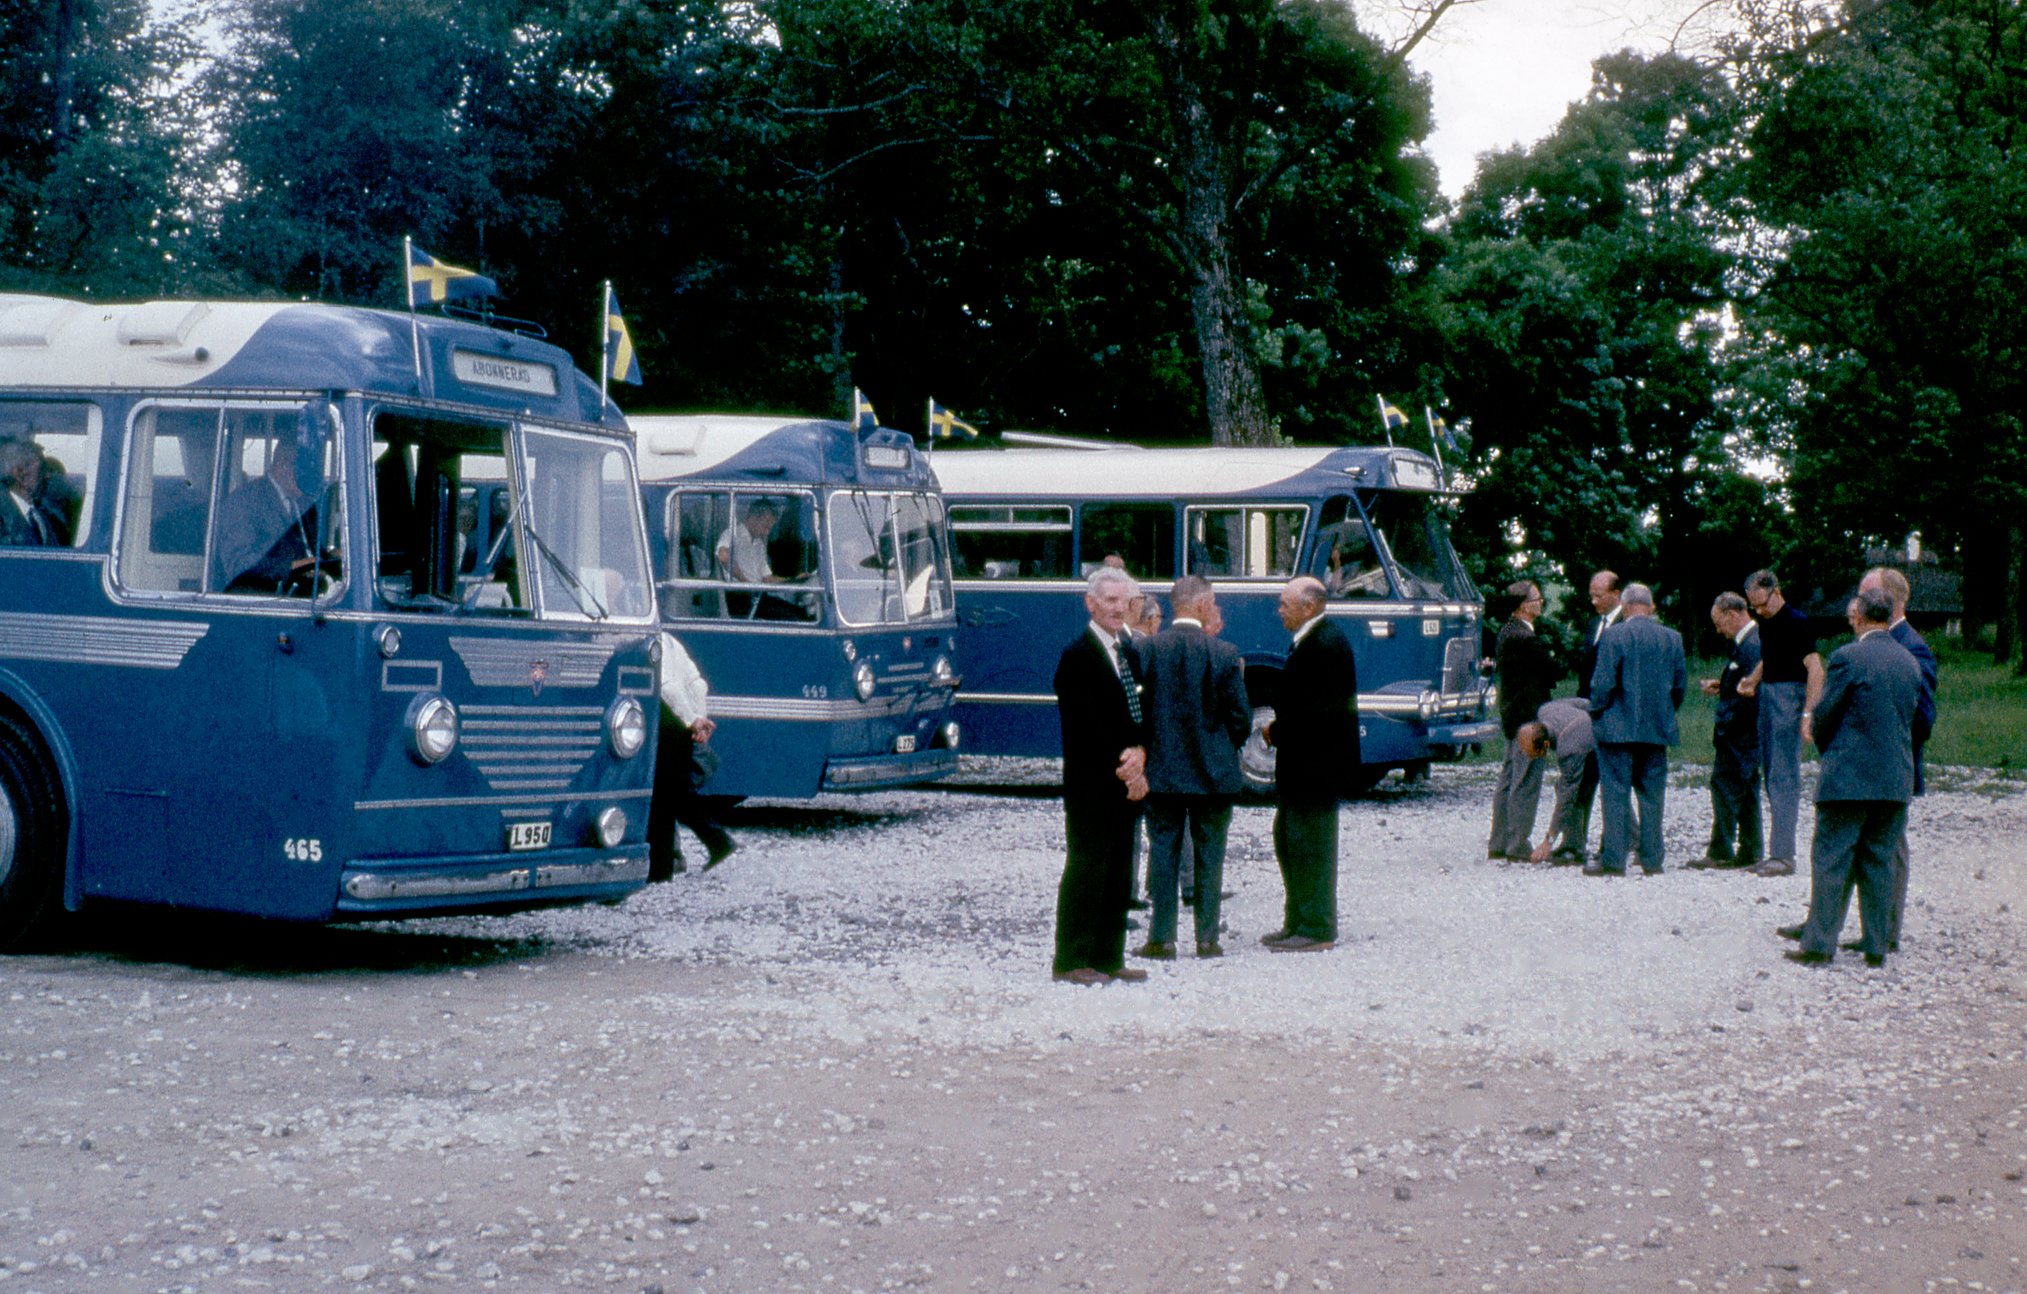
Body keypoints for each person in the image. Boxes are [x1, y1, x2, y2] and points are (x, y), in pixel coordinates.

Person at [1780, 589, 1920, 968]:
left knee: (1831, 858)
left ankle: (1819, 943)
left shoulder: (1847, 657)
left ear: (1858, 617)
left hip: (1848, 777)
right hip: (1895, 779)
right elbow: (1915, 718)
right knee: (1879, 860)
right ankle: (1876, 944)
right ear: (1890, 616)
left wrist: (1830, 751)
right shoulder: (1910, 662)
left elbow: (1826, 713)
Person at [1134, 576, 1250, 961]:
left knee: (1163, 853)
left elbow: (1138, 712)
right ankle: (1207, 939)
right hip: (1214, 774)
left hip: (1162, 772)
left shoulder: (1148, 650)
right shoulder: (1224, 653)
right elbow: (1241, 720)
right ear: (1202, 605)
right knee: (1210, 855)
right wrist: (1221, 747)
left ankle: (1162, 938)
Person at [1050, 567, 1152, 986]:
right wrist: (1126, 764)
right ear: (1090, 604)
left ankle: (1110, 956)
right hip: (1093, 783)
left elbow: (1141, 715)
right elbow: (1084, 725)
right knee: (1088, 867)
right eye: (1109, 600)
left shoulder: (1129, 653)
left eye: (1124, 600)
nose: (1118, 607)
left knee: (1118, 872)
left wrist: (1143, 754)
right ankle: (1071, 959)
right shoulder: (1076, 656)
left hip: (1129, 783)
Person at [1261, 576, 1358, 952]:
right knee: (1290, 840)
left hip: (1315, 769)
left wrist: (1279, 731)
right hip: (1302, 766)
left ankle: (1316, 927)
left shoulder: (1325, 644)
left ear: (1309, 606)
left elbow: (1317, 713)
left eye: (1285, 604)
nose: (1279, 610)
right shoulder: (1312, 640)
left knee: (1311, 845)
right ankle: (1297, 919)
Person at [1859, 565, 1938, 952]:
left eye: (1868, 595)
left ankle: (1886, 933)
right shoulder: (1870, 641)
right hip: (1867, 766)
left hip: (1893, 765)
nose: (1859, 604)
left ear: (1894, 601)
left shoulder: (1913, 647)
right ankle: (1872, 930)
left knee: (1891, 848)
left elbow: (1922, 717)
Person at [1585, 582, 1687, 876]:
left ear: (1626, 606)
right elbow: (1679, 686)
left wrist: (1597, 710)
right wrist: (1665, 712)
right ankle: (1652, 860)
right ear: (1651, 606)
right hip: (1656, 728)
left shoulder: (1614, 635)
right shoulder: (1673, 638)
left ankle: (1614, 860)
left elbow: (1602, 682)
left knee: (1615, 795)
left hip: (1617, 728)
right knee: (1653, 796)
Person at [1740, 569, 1824, 877]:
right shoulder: (1768, 624)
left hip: (1789, 699)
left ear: (1777, 591)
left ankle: (1784, 855)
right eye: (1754, 607)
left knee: (1784, 777)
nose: (1759, 611)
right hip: (1767, 697)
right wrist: (1753, 679)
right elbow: (1770, 656)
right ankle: (1774, 851)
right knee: (1771, 774)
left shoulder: (1798, 622)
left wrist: (1808, 713)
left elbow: (1815, 668)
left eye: (1762, 604)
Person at [648, 629, 736, 881]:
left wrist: (692, 720)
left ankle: (662, 868)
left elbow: (666, 689)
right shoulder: (671, 642)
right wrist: (699, 716)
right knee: (676, 795)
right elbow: (697, 683)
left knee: (662, 799)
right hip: (684, 727)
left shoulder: (648, 643)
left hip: (667, 725)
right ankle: (714, 843)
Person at [1688, 592, 1763, 870]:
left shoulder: (1752, 644)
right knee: (1747, 787)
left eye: (1720, 623)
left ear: (1732, 614)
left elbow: (1754, 690)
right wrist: (1723, 686)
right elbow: (1744, 682)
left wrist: (1728, 721)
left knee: (1725, 786)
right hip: (1744, 731)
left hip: (1739, 732)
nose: (1718, 630)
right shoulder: (1747, 642)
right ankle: (1752, 848)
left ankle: (1721, 850)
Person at [1488, 580, 1562, 861]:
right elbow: (1553, 669)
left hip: (1512, 717)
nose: (1541, 602)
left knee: (1508, 779)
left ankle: (1499, 841)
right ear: (1522, 605)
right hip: (1530, 720)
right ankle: (1518, 844)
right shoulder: (1525, 638)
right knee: (1526, 781)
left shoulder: (1507, 633)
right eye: (1537, 599)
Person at [1562, 570, 1623, 860]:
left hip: (1613, 714)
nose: (1594, 601)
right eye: (1591, 595)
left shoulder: (1627, 626)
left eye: (1599, 596)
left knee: (1612, 782)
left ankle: (1614, 842)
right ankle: (1573, 842)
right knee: (1581, 777)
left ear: (1616, 594)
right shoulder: (1593, 625)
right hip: (1587, 711)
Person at [214, 439, 319, 592]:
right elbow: (239, 565)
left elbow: (310, 548)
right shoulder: (244, 502)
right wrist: (293, 566)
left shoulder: (303, 503)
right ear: (283, 465)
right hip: (259, 604)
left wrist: (331, 556)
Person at [1519, 697, 1594, 864]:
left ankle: (1635, 843)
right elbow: (1584, 703)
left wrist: (1548, 841)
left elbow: (1566, 799)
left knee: (1613, 794)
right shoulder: (1546, 709)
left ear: (1544, 747)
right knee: (1573, 789)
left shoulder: (1567, 748)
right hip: (1590, 738)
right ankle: (1573, 845)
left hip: (1603, 745)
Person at [0, 437, 64, 547]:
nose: (48, 476)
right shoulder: (3, 520)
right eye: (43, 469)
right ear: (19, 473)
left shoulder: (47, 516)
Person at [717, 498, 783, 583]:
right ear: (753, 518)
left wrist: (794, 580)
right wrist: (744, 582)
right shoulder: (732, 534)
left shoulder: (759, 544)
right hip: (737, 592)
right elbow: (724, 557)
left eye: (769, 529)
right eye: (765, 526)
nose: (766, 533)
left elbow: (766, 578)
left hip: (756, 592)